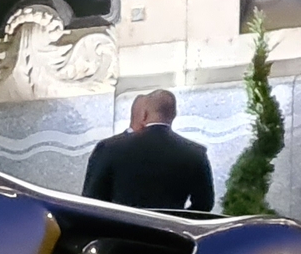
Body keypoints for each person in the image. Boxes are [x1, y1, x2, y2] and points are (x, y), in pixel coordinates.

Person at [82, 89, 214, 211]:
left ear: (144, 114)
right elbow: (205, 204)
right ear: (173, 115)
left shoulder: (109, 147)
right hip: (169, 233)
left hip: (121, 233)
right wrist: (177, 220)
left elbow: (92, 200)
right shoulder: (196, 153)